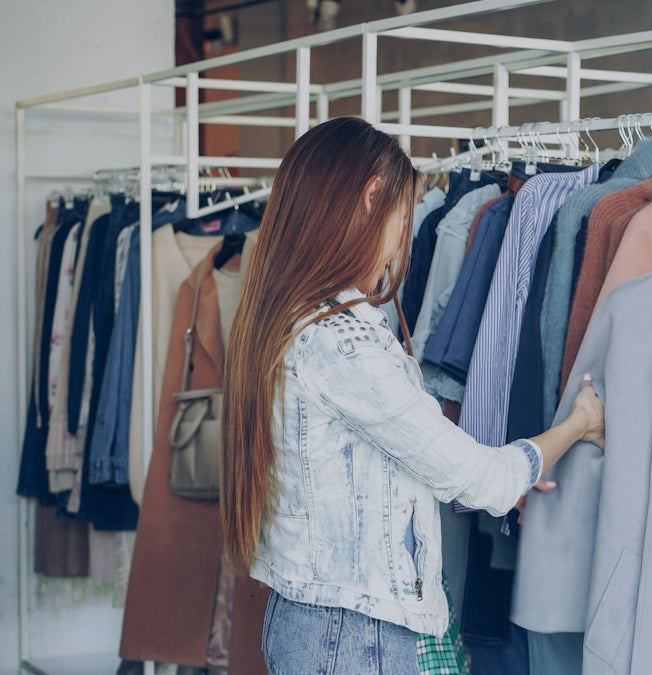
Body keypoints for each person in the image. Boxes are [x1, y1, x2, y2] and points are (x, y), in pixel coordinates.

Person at [219, 117, 605, 674]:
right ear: (373, 196)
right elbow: (482, 479)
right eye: (405, 214)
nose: (403, 241)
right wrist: (577, 424)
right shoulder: (344, 342)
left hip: (311, 621)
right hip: (351, 637)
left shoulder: (285, 319)